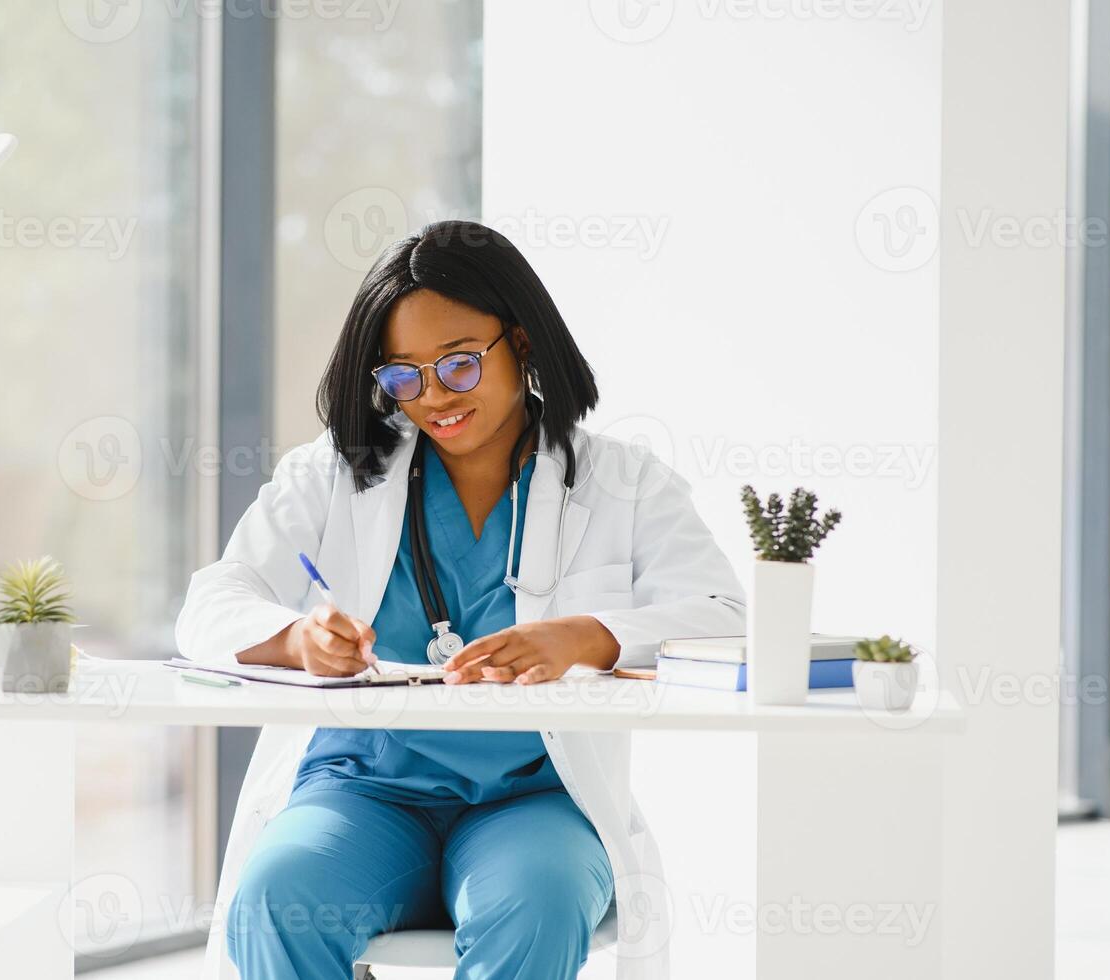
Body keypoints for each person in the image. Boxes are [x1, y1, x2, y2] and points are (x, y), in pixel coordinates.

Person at [177, 219, 745, 980]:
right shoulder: (338, 474)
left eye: (460, 365)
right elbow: (212, 602)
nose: (433, 397)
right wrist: (295, 638)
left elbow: (726, 620)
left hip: (537, 798)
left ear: (522, 341)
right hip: (363, 792)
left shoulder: (623, 482)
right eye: (403, 375)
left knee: (535, 904)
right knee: (278, 896)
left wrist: (584, 637)